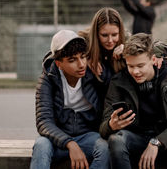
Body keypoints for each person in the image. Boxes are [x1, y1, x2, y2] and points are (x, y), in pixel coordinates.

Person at [99, 33, 167, 169]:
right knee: (117, 140)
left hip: (166, 139)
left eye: (141, 65)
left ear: (153, 59)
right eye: (131, 66)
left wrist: (157, 142)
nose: (135, 71)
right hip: (136, 139)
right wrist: (111, 125)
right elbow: (103, 128)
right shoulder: (118, 82)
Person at [30, 30, 109, 169]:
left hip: (88, 137)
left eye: (83, 57)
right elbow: (43, 121)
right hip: (57, 140)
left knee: (106, 147)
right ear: (59, 63)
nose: (81, 64)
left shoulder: (95, 73)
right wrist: (70, 144)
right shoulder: (47, 79)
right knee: (41, 145)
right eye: (72, 60)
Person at [79, 7, 167, 83]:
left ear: (120, 32)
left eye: (114, 35)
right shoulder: (83, 41)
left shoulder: (126, 38)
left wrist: (128, 49)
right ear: (96, 33)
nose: (110, 40)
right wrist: (84, 57)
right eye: (104, 35)